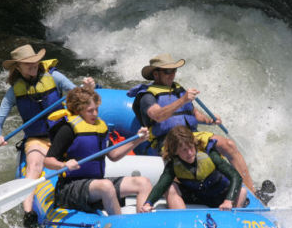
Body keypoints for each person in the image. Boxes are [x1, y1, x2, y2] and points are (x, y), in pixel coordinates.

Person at [0, 44, 95, 228]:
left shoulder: (54, 76)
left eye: (35, 62)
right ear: (18, 67)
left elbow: (78, 96)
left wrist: (87, 88)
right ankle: (28, 212)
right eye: (28, 64)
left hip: (62, 133)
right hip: (37, 139)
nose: (33, 66)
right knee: (34, 166)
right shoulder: (14, 91)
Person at [127, 53, 258, 198]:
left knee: (228, 144)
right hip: (168, 140)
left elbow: (194, 114)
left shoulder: (178, 89)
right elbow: (157, 115)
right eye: (168, 71)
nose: (172, 74)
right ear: (156, 74)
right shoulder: (147, 96)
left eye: (174, 70)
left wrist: (211, 120)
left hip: (190, 136)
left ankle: (252, 193)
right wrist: (182, 100)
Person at [44, 87, 152, 215]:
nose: (95, 114)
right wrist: (63, 165)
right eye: (90, 111)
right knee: (105, 186)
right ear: (78, 111)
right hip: (70, 187)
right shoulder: (67, 129)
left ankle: (143, 221)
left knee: (143, 183)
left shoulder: (100, 127)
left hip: (95, 184)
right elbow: (47, 161)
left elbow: (114, 155)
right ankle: (119, 225)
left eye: (97, 109)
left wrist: (137, 140)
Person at [141, 126, 247, 212]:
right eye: (184, 150)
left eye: (191, 147)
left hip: (220, 195)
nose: (190, 153)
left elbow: (236, 176)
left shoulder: (210, 154)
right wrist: (148, 203)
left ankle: (231, 222)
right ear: (175, 151)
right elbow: (162, 184)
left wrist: (228, 200)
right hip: (197, 197)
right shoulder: (174, 163)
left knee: (242, 192)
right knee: (170, 187)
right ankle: (182, 222)